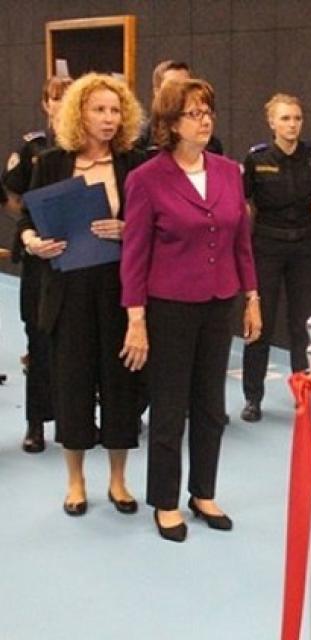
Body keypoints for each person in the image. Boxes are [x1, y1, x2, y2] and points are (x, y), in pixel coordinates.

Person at [120, 78, 261, 543]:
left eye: (208, 112)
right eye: (193, 114)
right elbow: (134, 256)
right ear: (170, 123)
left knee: (211, 406)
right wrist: (136, 319)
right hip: (170, 308)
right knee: (169, 408)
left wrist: (252, 297)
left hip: (219, 304)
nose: (204, 121)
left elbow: (241, 243)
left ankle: (203, 493)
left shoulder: (228, 172)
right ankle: (165, 501)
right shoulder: (146, 179)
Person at [18, 73, 147, 516]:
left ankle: (118, 480)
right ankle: (75, 481)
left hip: (118, 289)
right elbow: (26, 221)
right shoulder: (52, 162)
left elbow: (152, 225)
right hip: (67, 289)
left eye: (115, 110)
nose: (109, 119)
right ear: (79, 114)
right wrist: (33, 242)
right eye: (99, 110)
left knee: (120, 385)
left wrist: (129, 230)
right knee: (72, 384)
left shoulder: (134, 164)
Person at [240, 93, 311, 422]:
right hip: (267, 247)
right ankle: (253, 398)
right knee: (260, 324)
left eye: (297, 118)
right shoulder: (256, 159)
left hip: (304, 248)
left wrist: (301, 213)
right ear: (272, 123)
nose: (292, 124)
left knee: (304, 325)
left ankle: (304, 393)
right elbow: (244, 203)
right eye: (285, 118)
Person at [2, 75, 73, 453]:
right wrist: (34, 225)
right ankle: (35, 424)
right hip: (38, 258)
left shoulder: (86, 147)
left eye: (68, 97)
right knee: (39, 338)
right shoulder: (32, 147)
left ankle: (75, 419)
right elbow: (13, 196)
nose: (61, 103)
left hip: (75, 257)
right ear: (46, 104)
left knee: (75, 342)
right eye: (55, 98)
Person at [135, 60, 224, 157]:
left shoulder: (211, 145)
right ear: (157, 92)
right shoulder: (139, 143)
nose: (181, 93)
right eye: (173, 87)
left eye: (186, 86)